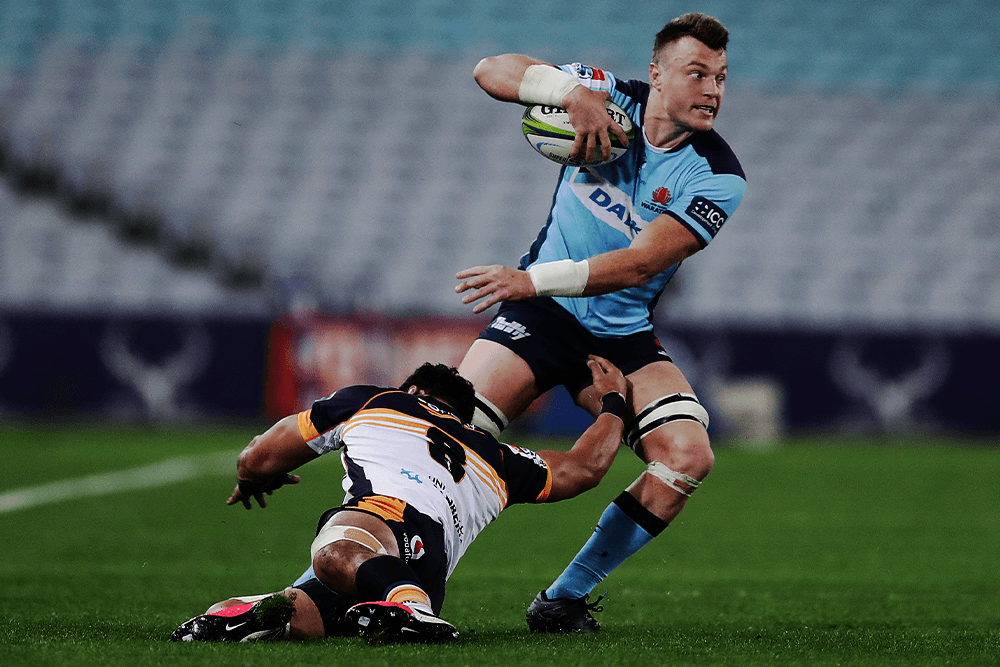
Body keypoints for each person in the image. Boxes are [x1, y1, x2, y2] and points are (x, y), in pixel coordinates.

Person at [453, 13, 747, 633]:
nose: (714, 90)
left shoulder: (717, 175)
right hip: (541, 318)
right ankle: (353, 575)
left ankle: (563, 596)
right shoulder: (607, 94)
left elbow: (640, 263)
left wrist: (530, 277)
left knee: (687, 454)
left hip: (618, 334)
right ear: (656, 75)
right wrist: (570, 95)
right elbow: (490, 70)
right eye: (698, 73)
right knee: (444, 435)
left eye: (721, 77)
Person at [170, 355, 629, 644]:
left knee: (333, 554)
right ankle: (291, 613)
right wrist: (613, 404)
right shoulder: (501, 456)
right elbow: (583, 468)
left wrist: (253, 479)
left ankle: (411, 609)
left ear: (413, 391)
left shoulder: (375, 400)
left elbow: (258, 457)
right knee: (291, 609)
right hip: (423, 571)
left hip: (382, 525)